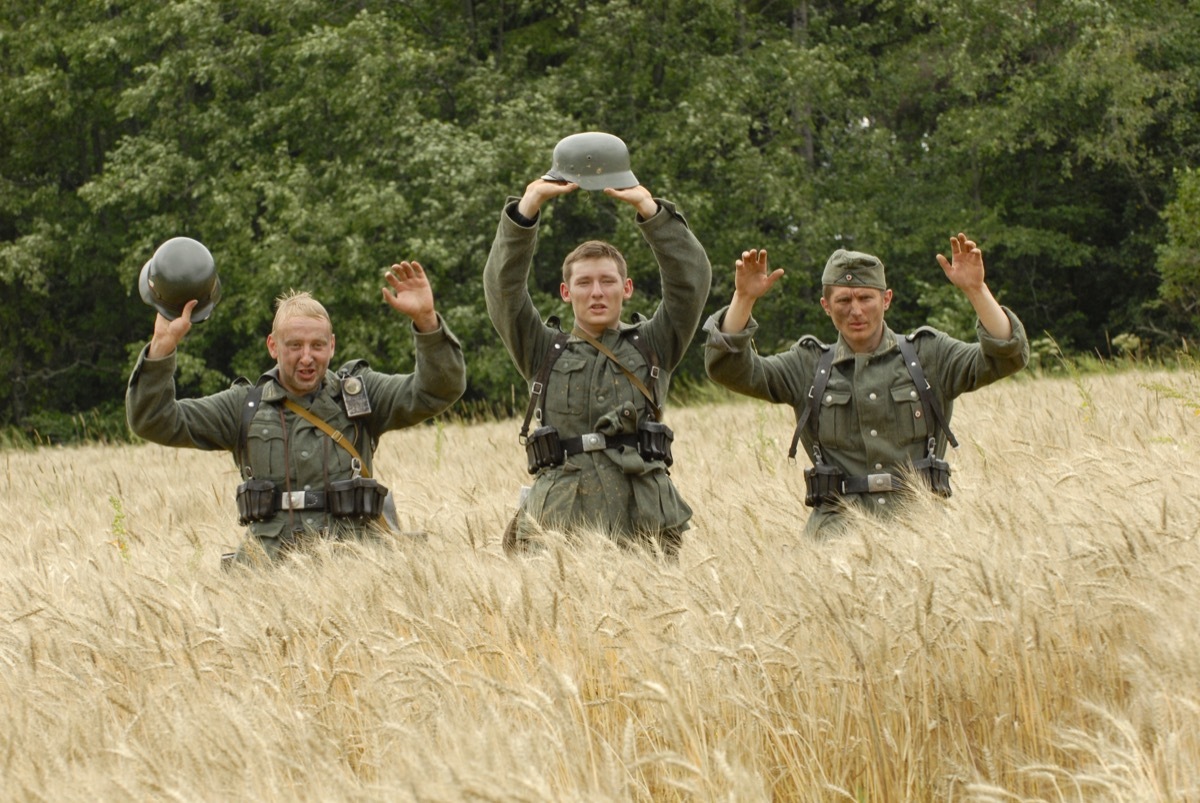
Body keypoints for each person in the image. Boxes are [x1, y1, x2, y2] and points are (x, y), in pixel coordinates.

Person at [126, 261, 467, 565]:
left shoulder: (361, 395)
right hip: (270, 574)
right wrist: (162, 348)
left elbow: (438, 390)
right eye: (294, 346)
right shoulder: (243, 406)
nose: (307, 357)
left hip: (358, 570)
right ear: (273, 346)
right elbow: (154, 420)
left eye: (317, 346)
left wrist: (426, 322)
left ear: (331, 345)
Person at [704, 233, 1029, 537]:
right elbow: (730, 368)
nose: (856, 310)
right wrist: (743, 298)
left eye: (865, 298)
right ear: (826, 306)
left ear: (886, 299)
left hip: (923, 533)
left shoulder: (929, 354)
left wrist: (977, 290)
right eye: (844, 300)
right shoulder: (806, 365)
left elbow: (1006, 355)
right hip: (835, 536)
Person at [483, 152, 712, 559]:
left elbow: (689, 283)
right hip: (560, 522)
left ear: (626, 289)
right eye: (584, 283)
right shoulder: (542, 349)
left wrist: (650, 211)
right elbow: (504, 293)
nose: (597, 292)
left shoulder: (654, 343)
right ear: (566, 293)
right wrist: (527, 209)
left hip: (641, 519)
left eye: (608, 281)